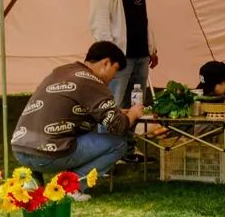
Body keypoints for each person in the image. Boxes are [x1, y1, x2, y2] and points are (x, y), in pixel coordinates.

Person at [11, 41, 144, 200]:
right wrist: (134, 113)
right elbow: (119, 126)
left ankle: (33, 180)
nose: (113, 78)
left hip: (20, 149)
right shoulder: (92, 82)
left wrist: (116, 113)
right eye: (114, 72)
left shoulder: (61, 71)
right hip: (46, 154)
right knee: (120, 143)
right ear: (106, 63)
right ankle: (70, 186)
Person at [89, 0, 159, 107]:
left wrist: (151, 48)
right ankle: (107, 136)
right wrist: (109, 54)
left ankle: (128, 135)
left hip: (141, 57)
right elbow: (99, 19)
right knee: (113, 107)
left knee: (134, 108)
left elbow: (142, 17)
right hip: (119, 57)